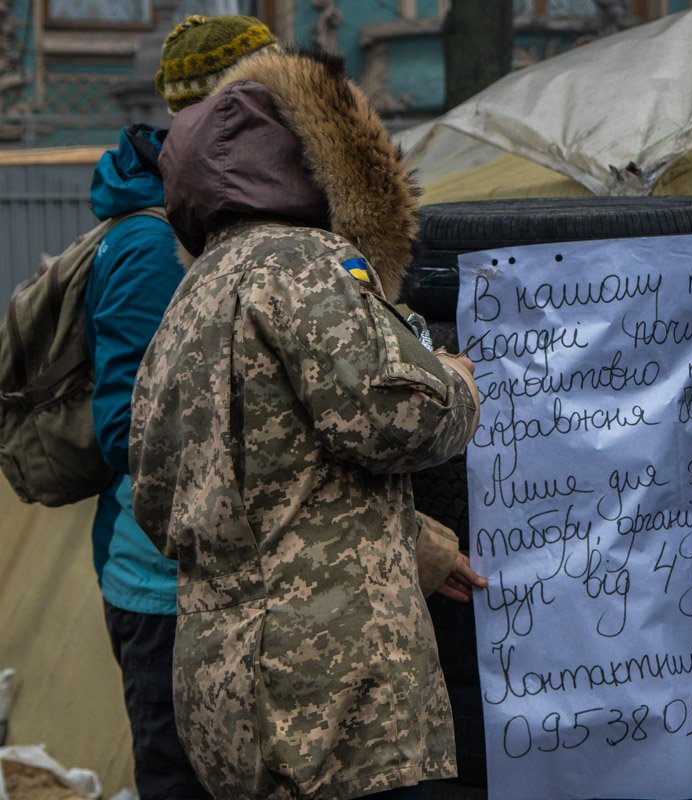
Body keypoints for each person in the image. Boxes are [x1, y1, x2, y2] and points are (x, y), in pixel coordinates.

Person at [128, 34, 481, 800]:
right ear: (324, 160)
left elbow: (166, 497)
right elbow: (396, 418)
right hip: (334, 696)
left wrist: (414, 546)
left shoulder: (190, 296)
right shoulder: (305, 263)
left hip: (225, 695)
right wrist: (455, 381)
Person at [83, 14, 281, 798]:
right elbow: (128, 431)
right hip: (167, 595)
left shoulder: (220, 224)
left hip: (222, 585)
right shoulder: (150, 245)